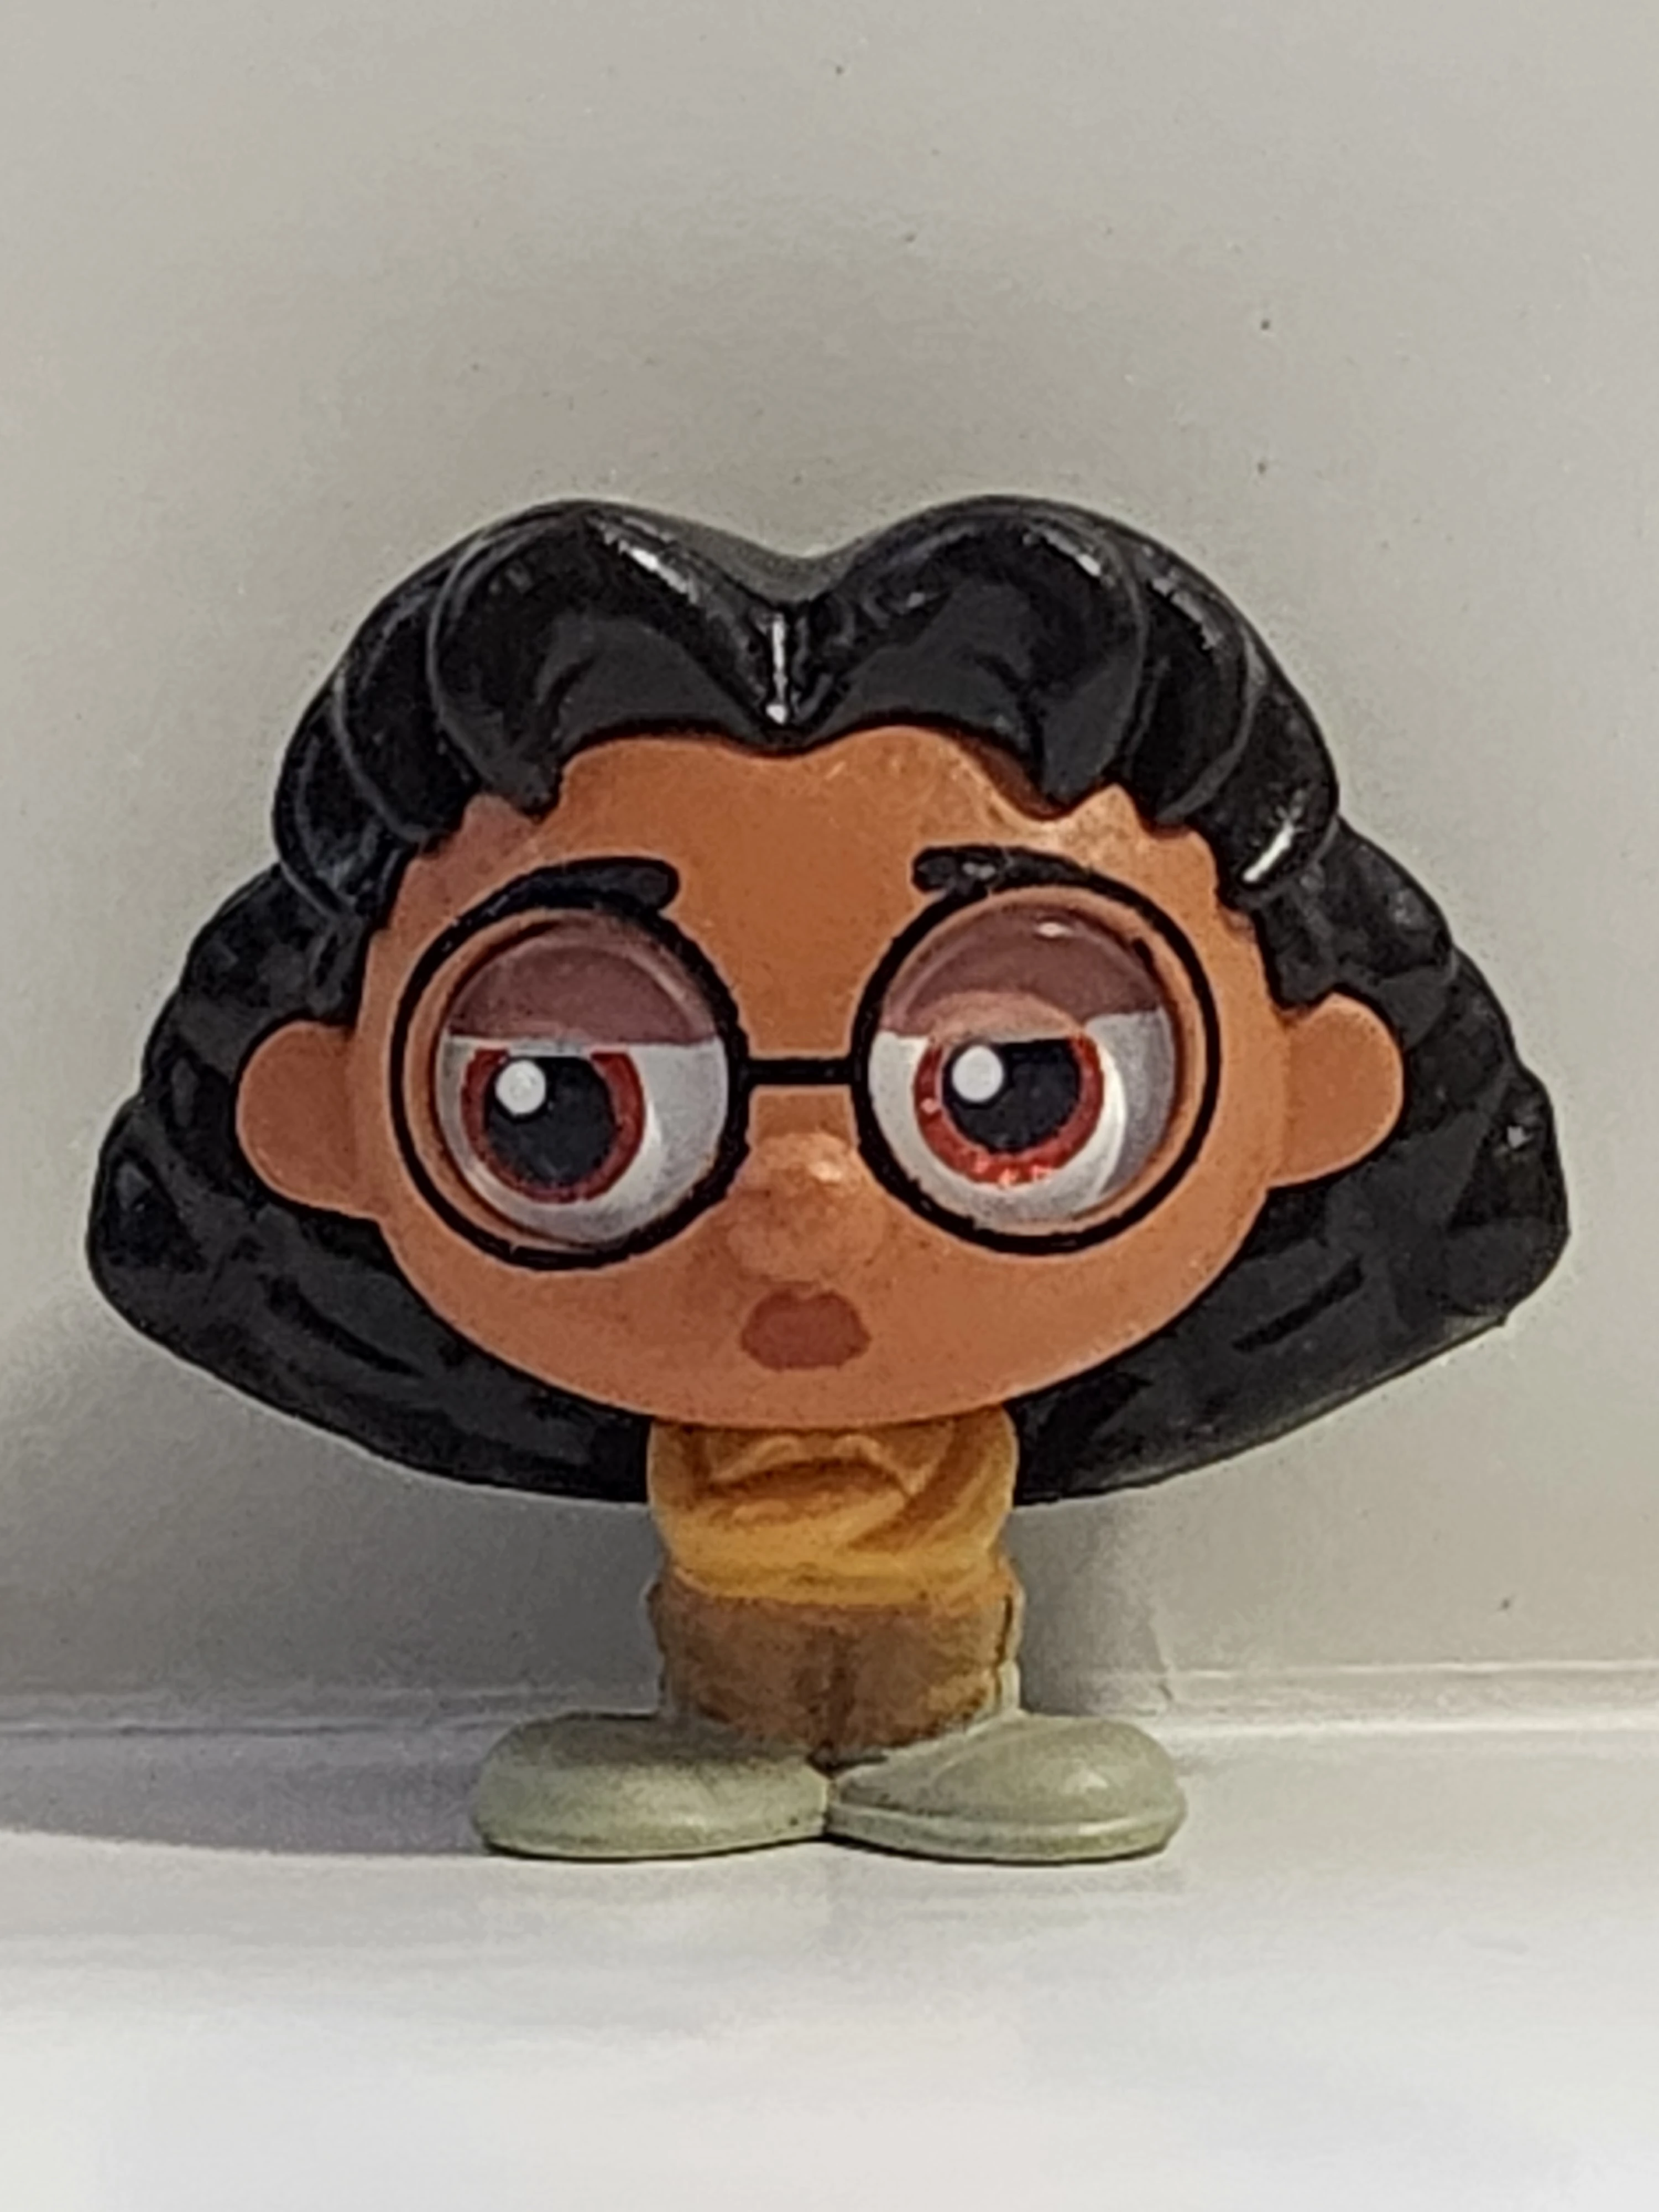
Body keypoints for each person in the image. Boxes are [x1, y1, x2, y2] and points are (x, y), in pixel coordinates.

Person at [88, 497, 1567, 1861]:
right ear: (321, 1123)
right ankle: (724, 1725)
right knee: (737, 1650)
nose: (806, 1201)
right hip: (716, 1628)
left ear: (1316, 1089)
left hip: (943, 1623)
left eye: (1020, 1089)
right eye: (563, 1106)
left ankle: (941, 1726)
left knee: (920, 1655)